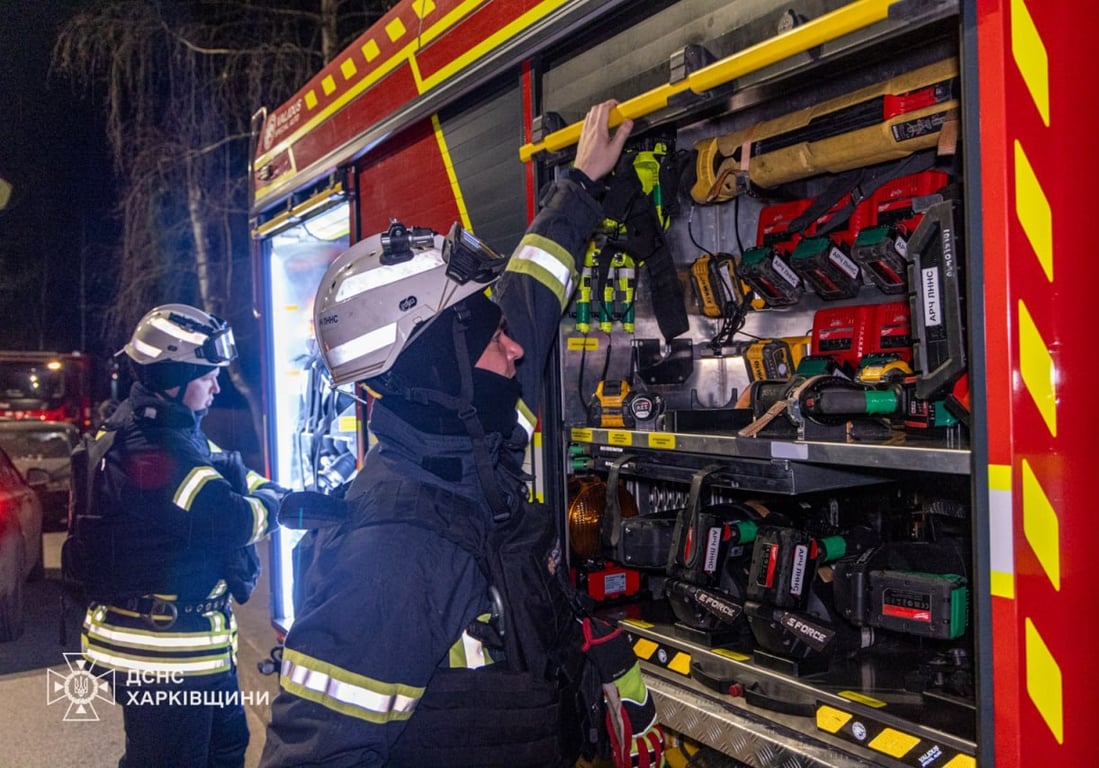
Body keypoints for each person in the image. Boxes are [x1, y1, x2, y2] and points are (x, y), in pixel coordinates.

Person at [260, 101, 665, 767]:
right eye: (488, 333)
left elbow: (531, 298)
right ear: (432, 368)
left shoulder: (479, 439)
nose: (513, 348)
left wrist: (582, 188)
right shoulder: (389, 557)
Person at [79, 303, 285, 768]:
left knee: (226, 750)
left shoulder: (175, 430)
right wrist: (278, 507)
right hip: (161, 656)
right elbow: (229, 521)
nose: (217, 385)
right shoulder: (147, 447)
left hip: (196, 649)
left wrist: (275, 493)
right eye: (207, 375)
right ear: (174, 376)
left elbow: (234, 474)